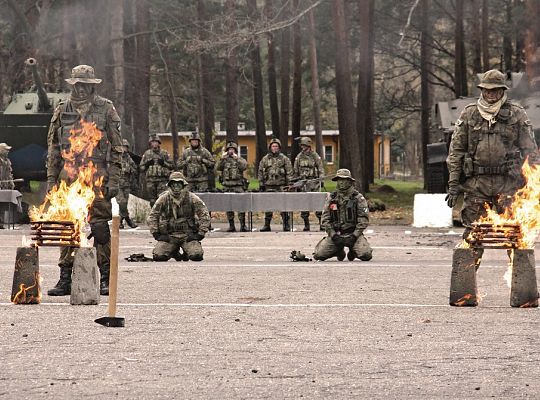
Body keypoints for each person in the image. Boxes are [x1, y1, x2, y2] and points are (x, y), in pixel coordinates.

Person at [46, 64, 123, 296]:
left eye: (85, 85)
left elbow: (117, 147)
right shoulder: (61, 109)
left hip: (96, 176)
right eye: (77, 84)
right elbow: (53, 148)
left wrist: (115, 179)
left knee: (99, 228)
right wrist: (51, 180)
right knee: (68, 226)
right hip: (68, 177)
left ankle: (105, 277)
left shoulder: (106, 109)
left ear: (92, 86)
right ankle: (65, 277)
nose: (81, 89)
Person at [446, 69, 538, 245]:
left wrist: (532, 185)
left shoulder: (516, 113)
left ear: (502, 90)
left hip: (508, 185)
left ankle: (518, 272)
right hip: (477, 185)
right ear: (481, 90)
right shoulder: (469, 114)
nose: (490, 94)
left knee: (515, 237)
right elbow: (455, 152)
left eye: (495, 90)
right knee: (473, 236)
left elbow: (530, 151)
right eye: (487, 90)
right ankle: (466, 272)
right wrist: (453, 185)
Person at [147, 171, 211, 262]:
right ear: (170, 185)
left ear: (183, 185)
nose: (176, 187)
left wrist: (200, 234)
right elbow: (153, 216)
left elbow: (205, 215)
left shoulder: (192, 198)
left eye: (179, 184)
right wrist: (156, 234)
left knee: (196, 256)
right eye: (174, 184)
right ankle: (174, 252)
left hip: (187, 235)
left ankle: (187, 252)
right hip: (170, 235)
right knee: (159, 256)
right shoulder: (163, 198)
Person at [313, 169, 373, 262]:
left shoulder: (358, 198)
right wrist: (333, 235)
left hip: (353, 234)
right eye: (339, 179)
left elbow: (363, 220)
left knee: (366, 255)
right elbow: (325, 219)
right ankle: (338, 251)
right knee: (318, 255)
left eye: (344, 180)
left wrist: (354, 235)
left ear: (349, 181)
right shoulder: (331, 198)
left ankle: (353, 251)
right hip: (337, 234)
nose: (341, 182)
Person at [257, 138, 294, 232]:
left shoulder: (284, 159)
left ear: (279, 147)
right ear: (270, 147)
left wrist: (290, 184)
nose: (274, 148)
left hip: (281, 186)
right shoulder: (265, 159)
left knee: (283, 206)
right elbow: (260, 171)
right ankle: (267, 225)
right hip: (268, 185)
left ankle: (286, 225)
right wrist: (261, 184)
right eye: (273, 146)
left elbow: (289, 172)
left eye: (276, 146)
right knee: (268, 206)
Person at [215, 141, 249, 232]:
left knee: (241, 206)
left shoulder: (239, 159)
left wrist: (237, 158)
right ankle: (231, 225)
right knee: (228, 206)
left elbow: (244, 166)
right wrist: (222, 158)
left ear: (235, 150)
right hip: (227, 186)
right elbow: (217, 168)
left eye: (232, 149)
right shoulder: (224, 160)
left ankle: (243, 225)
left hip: (238, 185)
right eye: (229, 149)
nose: (231, 151)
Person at [293, 136, 324, 231]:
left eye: (304, 145)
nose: (302, 147)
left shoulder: (315, 156)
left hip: (314, 182)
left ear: (308, 145)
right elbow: (296, 170)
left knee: (317, 204)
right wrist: (296, 181)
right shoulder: (299, 157)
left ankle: (321, 223)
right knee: (304, 204)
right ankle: (306, 224)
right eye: (302, 145)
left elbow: (320, 168)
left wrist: (321, 180)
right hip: (303, 184)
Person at [139, 134, 174, 207]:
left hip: (162, 180)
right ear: (150, 143)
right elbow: (141, 168)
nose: (154, 144)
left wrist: (164, 163)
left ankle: (163, 216)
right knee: (152, 201)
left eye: (156, 142)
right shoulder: (147, 154)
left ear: (159, 143)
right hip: (150, 181)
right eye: (152, 142)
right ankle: (154, 216)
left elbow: (172, 166)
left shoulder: (164, 153)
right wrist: (147, 164)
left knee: (162, 199)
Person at [116, 139, 138, 229]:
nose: (124, 148)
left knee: (124, 204)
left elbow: (135, 168)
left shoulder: (128, 157)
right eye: (123, 146)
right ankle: (128, 220)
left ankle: (120, 221)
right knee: (122, 202)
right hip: (118, 184)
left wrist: (129, 169)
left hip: (126, 184)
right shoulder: (116, 157)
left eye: (125, 147)